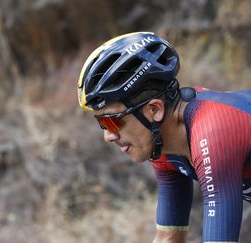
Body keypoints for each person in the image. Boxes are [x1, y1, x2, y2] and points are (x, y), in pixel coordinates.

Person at [77, 32, 251, 243]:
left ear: (154, 110)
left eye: (112, 121)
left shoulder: (214, 131)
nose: (108, 136)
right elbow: (168, 238)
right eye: (101, 124)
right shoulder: (163, 148)